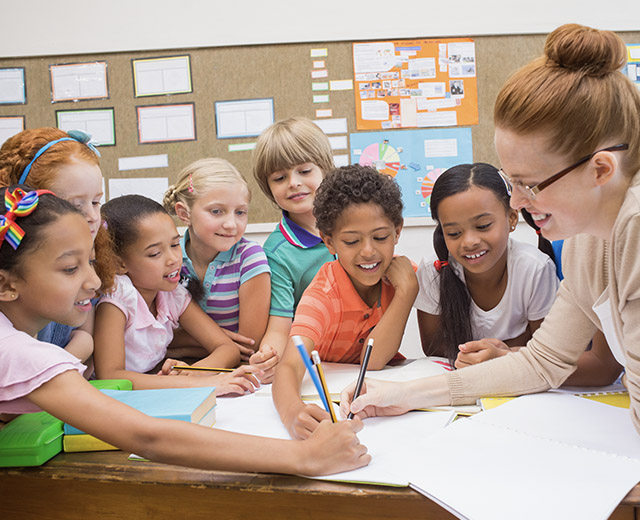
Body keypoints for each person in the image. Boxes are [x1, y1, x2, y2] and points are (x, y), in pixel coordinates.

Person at [340, 24, 640, 434]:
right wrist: (406, 395)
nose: (516, 203)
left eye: (529, 185)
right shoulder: (586, 240)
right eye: (511, 182)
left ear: (601, 169)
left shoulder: (634, 229)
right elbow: (544, 361)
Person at [0, 186, 370, 474]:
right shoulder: (14, 348)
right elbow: (147, 436)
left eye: (92, 263)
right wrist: (305, 456)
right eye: (69, 269)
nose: (95, 282)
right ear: (7, 285)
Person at [273, 165, 418, 439]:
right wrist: (292, 411)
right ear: (329, 242)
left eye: (381, 237)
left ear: (397, 231)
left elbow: (373, 363)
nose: (368, 251)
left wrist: (406, 290)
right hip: (337, 408)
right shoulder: (323, 294)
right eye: (351, 241)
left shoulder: (404, 278)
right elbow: (289, 365)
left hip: (381, 407)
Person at [94, 194, 261, 393]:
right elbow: (111, 376)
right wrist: (196, 384)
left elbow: (227, 349)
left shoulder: (172, 294)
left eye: (175, 245)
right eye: (155, 253)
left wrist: (195, 372)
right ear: (119, 263)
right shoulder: (118, 298)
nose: (173, 259)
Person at [416, 163, 559, 368]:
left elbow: (548, 348)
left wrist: (501, 354)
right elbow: (433, 348)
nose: (469, 242)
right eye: (454, 233)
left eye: (483, 226)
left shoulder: (535, 268)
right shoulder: (434, 270)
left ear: (511, 218)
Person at [0, 127, 116, 367]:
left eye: (96, 202)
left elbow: (85, 334)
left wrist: (60, 368)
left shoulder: (91, 254)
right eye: (74, 205)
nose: (93, 216)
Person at [163, 158, 277, 378]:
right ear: (184, 213)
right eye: (216, 211)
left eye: (240, 212)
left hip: (233, 374)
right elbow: (158, 339)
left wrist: (184, 340)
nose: (231, 224)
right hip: (172, 369)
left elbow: (247, 347)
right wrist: (220, 340)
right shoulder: (168, 259)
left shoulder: (249, 259)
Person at [252, 117, 336, 369]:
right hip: (319, 362)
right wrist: (269, 356)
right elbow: (280, 326)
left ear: (325, 169)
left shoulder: (354, 225)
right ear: (268, 188)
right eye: (279, 177)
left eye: (305, 171)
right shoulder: (277, 253)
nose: (293, 183)